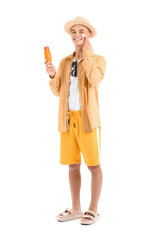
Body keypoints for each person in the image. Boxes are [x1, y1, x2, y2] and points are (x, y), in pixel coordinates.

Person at [44, 16, 106, 225]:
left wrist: (87, 54)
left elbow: (95, 80)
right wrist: (53, 76)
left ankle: (93, 209)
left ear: (88, 35)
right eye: (73, 31)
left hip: (88, 121)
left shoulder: (97, 60)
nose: (77, 34)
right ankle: (76, 209)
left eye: (81, 31)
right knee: (72, 166)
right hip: (67, 121)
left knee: (94, 165)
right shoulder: (65, 62)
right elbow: (58, 91)